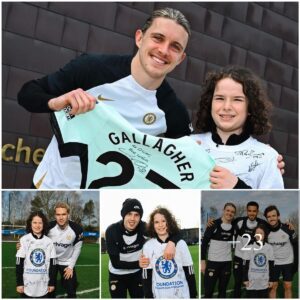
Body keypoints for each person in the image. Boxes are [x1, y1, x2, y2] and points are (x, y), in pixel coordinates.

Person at [17, 7, 192, 189]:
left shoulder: (174, 112)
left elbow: (188, 166)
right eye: (158, 38)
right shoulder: (93, 68)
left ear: (180, 59)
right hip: (50, 186)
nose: (164, 50)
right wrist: (56, 102)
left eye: (175, 47)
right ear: (140, 38)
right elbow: (27, 93)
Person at [191, 66, 284, 189]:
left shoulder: (268, 157)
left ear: (250, 107)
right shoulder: (189, 144)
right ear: (210, 103)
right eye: (220, 98)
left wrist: (237, 186)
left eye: (237, 100)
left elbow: (271, 203)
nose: (227, 106)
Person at [105, 198, 180, 298]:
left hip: (137, 274)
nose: (132, 218)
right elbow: (116, 263)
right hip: (117, 274)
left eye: (136, 215)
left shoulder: (144, 228)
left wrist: (172, 243)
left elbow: (177, 232)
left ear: (140, 217)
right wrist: (138, 264)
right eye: (129, 214)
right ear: (123, 215)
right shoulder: (112, 231)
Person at [142, 207, 197, 298]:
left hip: (181, 295)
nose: (160, 225)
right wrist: (148, 296)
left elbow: (189, 270)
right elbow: (146, 275)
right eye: (156, 222)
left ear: (169, 222)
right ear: (153, 225)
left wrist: (193, 295)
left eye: (163, 221)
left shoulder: (181, 244)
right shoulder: (148, 246)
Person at [231, 201, 268, 298]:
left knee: (253, 282)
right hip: (239, 257)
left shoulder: (262, 223)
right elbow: (225, 221)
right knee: (238, 282)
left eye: (254, 211)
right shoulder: (239, 221)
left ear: (257, 211)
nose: (252, 213)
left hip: (252, 259)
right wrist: (212, 221)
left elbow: (274, 226)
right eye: (249, 211)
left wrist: (286, 224)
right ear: (246, 211)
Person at [16, 211, 56, 298]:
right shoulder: (24, 240)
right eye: (34, 222)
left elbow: (53, 264)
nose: (37, 226)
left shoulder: (49, 242)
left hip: (44, 285)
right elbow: (19, 263)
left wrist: (52, 283)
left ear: (44, 224)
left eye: (40, 223)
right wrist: (19, 283)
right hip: (27, 286)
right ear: (30, 224)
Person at [48, 202, 83, 298]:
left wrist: (71, 267)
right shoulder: (48, 227)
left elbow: (77, 249)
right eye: (58, 214)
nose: (61, 217)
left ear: (68, 215)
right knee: (50, 289)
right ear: (55, 215)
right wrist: (22, 244)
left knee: (71, 291)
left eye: (63, 214)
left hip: (67, 262)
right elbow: (36, 237)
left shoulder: (77, 229)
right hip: (52, 261)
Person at [201, 202, 236, 298]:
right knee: (208, 291)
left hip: (227, 263)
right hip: (213, 262)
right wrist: (202, 261)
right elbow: (204, 243)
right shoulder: (213, 224)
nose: (230, 213)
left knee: (222, 291)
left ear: (234, 214)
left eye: (232, 212)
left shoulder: (234, 226)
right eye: (228, 210)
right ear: (223, 211)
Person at [264, 205, 298, 298]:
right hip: (274, 263)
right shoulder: (265, 231)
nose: (271, 218)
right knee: (273, 287)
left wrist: (296, 264)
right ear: (266, 218)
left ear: (278, 216)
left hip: (288, 262)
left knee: (288, 286)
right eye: (269, 217)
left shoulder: (288, 228)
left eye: (273, 216)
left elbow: (296, 246)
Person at [242, 224, 275, 298]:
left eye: (261, 233)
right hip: (251, 282)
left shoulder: (269, 248)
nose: (259, 235)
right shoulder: (249, 247)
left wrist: (271, 280)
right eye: (257, 233)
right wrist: (245, 279)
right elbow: (245, 265)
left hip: (264, 282)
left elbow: (271, 266)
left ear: (265, 234)